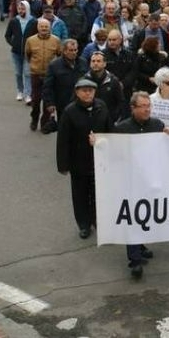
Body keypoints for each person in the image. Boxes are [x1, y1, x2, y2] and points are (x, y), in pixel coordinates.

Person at [114, 92, 169, 278]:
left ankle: (139, 246)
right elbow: (113, 151)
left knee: (145, 215)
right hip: (131, 182)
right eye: (143, 106)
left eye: (149, 105)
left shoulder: (157, 125)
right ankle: (135, 261)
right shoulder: (122, 128)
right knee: (133, 217)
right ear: (133, 108)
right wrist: (98, 143)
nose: (147, 109)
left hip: (151, 180)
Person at [56, 79, 112, 239]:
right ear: (77, 92)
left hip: (99, 160)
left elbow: (110, 129)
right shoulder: (69, 112)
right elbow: (63, 141)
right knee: (80, 194)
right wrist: (63, 165)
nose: (88, 93)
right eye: (84, 90)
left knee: (98, 193)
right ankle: (84, 224)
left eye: (91, 90)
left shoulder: (101, 107)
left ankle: (97, 221)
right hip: (78, 161)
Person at [25, 18, 62, 131]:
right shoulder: (30, 40)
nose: (44, 29)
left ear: (50, 27)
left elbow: (59, 55)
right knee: (35, 101)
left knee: (47, 102)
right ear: (38, 28)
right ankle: (34, 119)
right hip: (35, 74)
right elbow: (28, 55)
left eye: (46, 26)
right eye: (42, 26)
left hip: (49, 76)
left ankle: (44, 123)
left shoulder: (56, 40)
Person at [43, 39, 89, 127]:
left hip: (81, 102)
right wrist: (49, 103)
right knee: (64, 128)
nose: (74, 53)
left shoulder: (83, 63)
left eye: (75, 50)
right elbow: (48, 86)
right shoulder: (54, 65)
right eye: (71, 50)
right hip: (63, 103)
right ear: (64, 51)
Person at [4, 0, 38, 103]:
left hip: (29, 53)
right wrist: (13, 43)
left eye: (23, 9)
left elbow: (37, 36)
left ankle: (28, 94)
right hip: (16, 52)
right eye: (19, 9)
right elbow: (7, 35)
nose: (21, 11)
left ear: (27, 9)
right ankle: (20, 91)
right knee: (18, 73)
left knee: (27, 73)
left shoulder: (33, 21)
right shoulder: (14, 21)